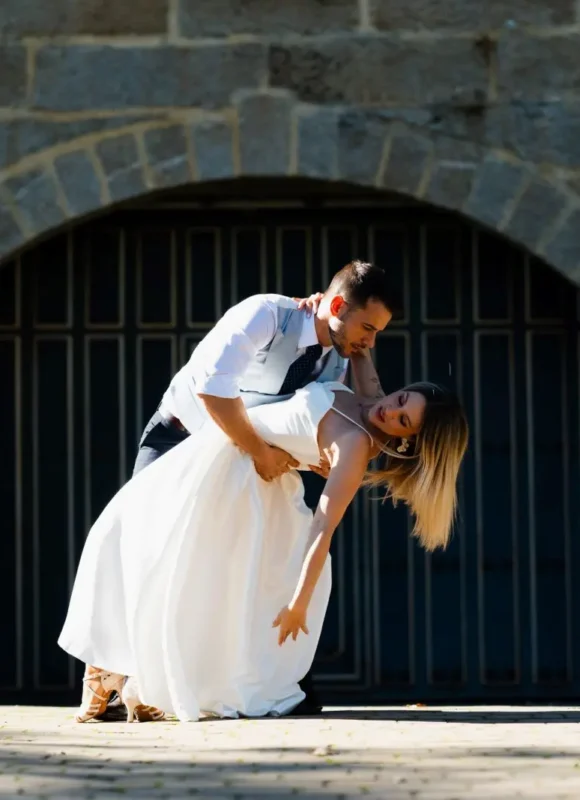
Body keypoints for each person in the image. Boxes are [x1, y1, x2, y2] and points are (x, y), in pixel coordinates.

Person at [58, 349, 468, 723]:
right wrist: (343, 329)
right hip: (223, 459)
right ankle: (120, 674)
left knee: (196, 582)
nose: (389, 411)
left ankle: (131, 679)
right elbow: (365, 360)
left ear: (407, 439)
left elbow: (324, 526)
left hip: (243, 484)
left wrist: (298, 603)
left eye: (402, 421)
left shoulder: (355, 447)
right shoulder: (369, 400)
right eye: (400, 401)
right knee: (149, 552)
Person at [76, 260, 397, 721]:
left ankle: (160, 685)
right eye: (368, 327)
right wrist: (262, 454)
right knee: (141, 549)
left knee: (214, 571)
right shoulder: (266, 314)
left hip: (236, 466)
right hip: (182, 436)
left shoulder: (335, 364)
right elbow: (213, 388)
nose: (370, 339)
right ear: (339, 305)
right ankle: (103, 672)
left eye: (377, 332)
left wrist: (359, 348)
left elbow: (350, 413)